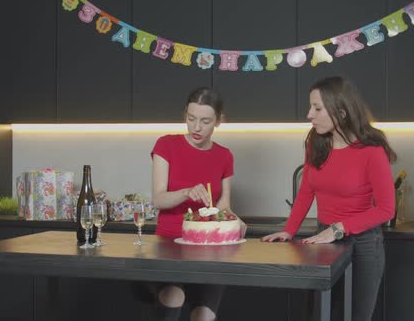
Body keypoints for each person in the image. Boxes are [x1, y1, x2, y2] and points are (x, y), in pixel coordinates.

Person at [261, 76, 396, 321]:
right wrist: (289, 230)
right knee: (321, 314)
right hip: (325, 242)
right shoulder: (316, 143)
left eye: (317, 108)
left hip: (363, 245)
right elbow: (306, 191)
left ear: (341, 112)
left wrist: (338, 228)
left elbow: (387, 210)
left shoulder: (372, 151)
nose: (309, 114)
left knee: (355, 316)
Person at [147, 86, 239, 321]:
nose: (196, 127)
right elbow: (158, 198)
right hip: (168, 245)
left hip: (210, 250)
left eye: (205, 121)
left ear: (219, 121)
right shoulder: (166, 145)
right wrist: (186, 192)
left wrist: (235, 222)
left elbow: (224, 205)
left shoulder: (225, 155)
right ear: (185, 115)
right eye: (191, 119)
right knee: (173, 295)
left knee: (204, 315)